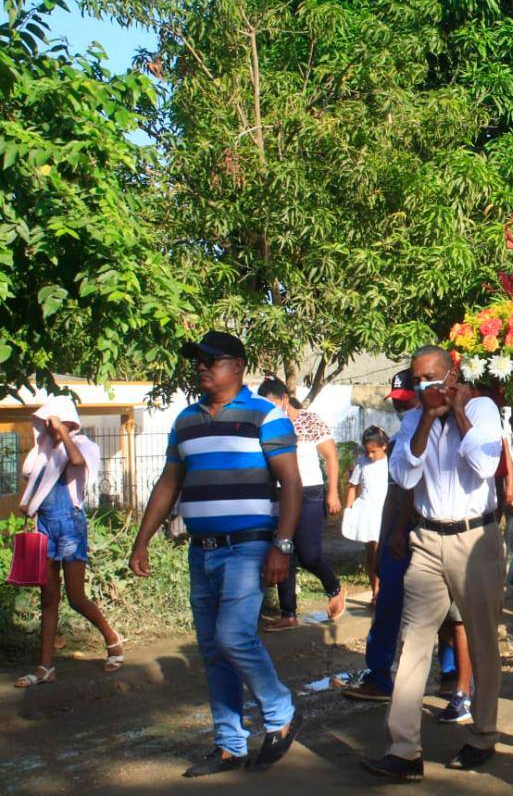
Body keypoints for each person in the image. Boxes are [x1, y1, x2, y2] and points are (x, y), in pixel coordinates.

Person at [129, 330, 302, 777]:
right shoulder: (186, 419)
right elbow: (169, 483)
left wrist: (281, 546)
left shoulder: (265, 416)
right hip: (201, 552)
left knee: (233, 637)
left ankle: (281, 711)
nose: (203, 367)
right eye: (198, 362)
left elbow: (292, 484)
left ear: (239, 367)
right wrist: (142, 540)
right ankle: (229, 744)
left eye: (213, 360)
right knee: (212, 649)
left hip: (248, 547)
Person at [361, 346, 505, 780]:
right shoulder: (410, 421)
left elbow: (484, 465)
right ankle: (404, 749)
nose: (427, 387)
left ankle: (483, 734)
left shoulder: (482, 409)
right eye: (419, 379)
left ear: (453, 375)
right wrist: (426, 417)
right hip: (426, 538)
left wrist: (457, 411)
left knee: (481, 641)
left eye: (434, 378)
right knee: (414, 641)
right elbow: (404, 476)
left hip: (474, 538)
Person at [14, 396, 123, 688]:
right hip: (45, 526)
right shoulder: (44, 452)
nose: (48, 429)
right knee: (48, 597)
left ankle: (112, 640)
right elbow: (29, 477)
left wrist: (62, 433)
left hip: (70, 527)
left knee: (75, 597)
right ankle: (45, 666)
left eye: (53, 422)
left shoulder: (84, 446)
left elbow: (77, 462)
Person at [343, 372, 419, 703]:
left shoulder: (441, 434)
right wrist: (391, 533)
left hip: (431, 533)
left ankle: (452, 677)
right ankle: (379, 677)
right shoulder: (401, 440)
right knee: (388, 604)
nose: (403, 408)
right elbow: (394, 494)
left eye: (407, 401)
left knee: (444, 614)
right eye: (398, 403)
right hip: (399, 536)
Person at [256, 379, 344, 631]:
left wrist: (333, 493)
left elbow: (330, 456)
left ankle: (334, 588)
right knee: (284, 551)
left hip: (310, 493)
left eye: (272, 404)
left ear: (284, 399)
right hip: (280, 494)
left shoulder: (309, 420)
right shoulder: (267, 425)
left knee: (309, 554)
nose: (269, 409)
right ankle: (288, 613)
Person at [342, 426, 391, 605]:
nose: (370, 455)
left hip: (384, 510)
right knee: (371, 553)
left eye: (374, 451)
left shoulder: (390, 462)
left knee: (382, 552)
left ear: (384, 446)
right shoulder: (362, 461)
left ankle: (385, 590)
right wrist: (349, 511)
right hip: (367, 512)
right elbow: (353, 487)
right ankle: (375, 592)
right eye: (367, 451)